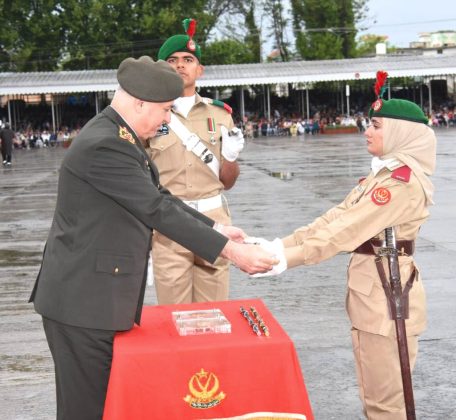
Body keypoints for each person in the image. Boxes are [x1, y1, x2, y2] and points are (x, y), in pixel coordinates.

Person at [29, 56, 277, 420]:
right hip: (82, 302)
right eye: (164, 110)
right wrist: (231, 253)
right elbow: (155, 210)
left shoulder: (120, 136)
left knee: (104, 406)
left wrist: (214, 228)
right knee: (86, 410)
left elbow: (158, 196)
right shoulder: (106, 144)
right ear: (139, 102)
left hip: (92, 298)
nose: (166, 120)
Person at [251, 72, 436, 419]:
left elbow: (345, 232)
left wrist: (283, 261)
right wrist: (280, 245)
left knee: (386, 404)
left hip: (387, 300)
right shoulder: (382, 175)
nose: (367, 131)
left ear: (401, 133)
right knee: (373, 396)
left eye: (377, 125)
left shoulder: (401, 184)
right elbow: (333, 219)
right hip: (374, 297)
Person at [148, 18, 245, 304]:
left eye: (188, 59)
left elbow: (227, 182)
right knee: (174, 316)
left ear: (199, 69)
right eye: (172, 60)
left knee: (213, 315)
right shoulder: (150, 115)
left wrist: (230, 157)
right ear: (161, 68)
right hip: (169, 224)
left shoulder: (221, 115)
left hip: (214, 221)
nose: (180, 65)